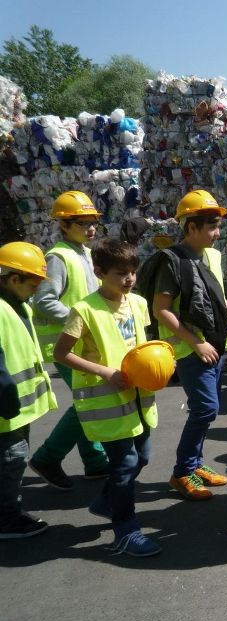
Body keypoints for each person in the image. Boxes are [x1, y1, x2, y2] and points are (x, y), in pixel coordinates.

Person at [53, 238, 161, 557]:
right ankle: (125, 530)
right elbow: (61, 353)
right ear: (99, 272)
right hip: (107, 401)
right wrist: (103, 372)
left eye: (132, 272)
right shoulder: (84, 309)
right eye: (120, 273)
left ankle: (107, 500)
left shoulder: (138, 303)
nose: (128, 279)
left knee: (141, 456)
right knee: (126, 463)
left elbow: (139, 344)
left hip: (139, 396)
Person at [151, 189, 227, 500]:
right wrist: (196, 344)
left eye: (218, 224)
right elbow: (161, 310)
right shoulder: (172, 262)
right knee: (206, 409)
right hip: (192, 350)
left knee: (206, 411)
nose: (217, 232)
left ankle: (194, 464)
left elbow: (218, 298)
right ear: (190, 226)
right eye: (210, 226)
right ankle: (182, 472)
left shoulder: (212, 256)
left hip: (216, 346)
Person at [29, 191, 109, 489]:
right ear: (63, 224)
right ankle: (47, 457)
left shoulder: (85, 254)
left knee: (87, 399)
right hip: (66, 344)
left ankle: (95, 461)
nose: (90, 228)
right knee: (88, 402)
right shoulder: (58, 257)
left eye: (93, 223)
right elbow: (44, 301)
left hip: (83, 342)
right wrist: (80, 323)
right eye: (82, 223)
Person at [0, 242, 57, 539]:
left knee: (12, 461)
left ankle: (9, 512)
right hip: (6, 412)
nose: (37, 290)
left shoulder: (17, 304)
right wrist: (7, 399)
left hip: (15, 411)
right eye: (33, 283)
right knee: (11, 462)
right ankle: (6, 520)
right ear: (13, 279)